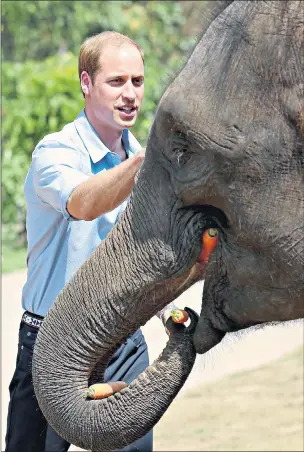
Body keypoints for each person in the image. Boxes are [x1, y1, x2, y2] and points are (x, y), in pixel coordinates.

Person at [5, 31, 179, 452]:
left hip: (122, 342)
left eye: (137, 81)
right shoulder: (55, 153)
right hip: (52, 344)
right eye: (116, 82)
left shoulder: (144, 159)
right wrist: (145, 163)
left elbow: (148, 253)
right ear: (86, 83)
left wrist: (170, 308)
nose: (130, 94)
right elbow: (85, 203)